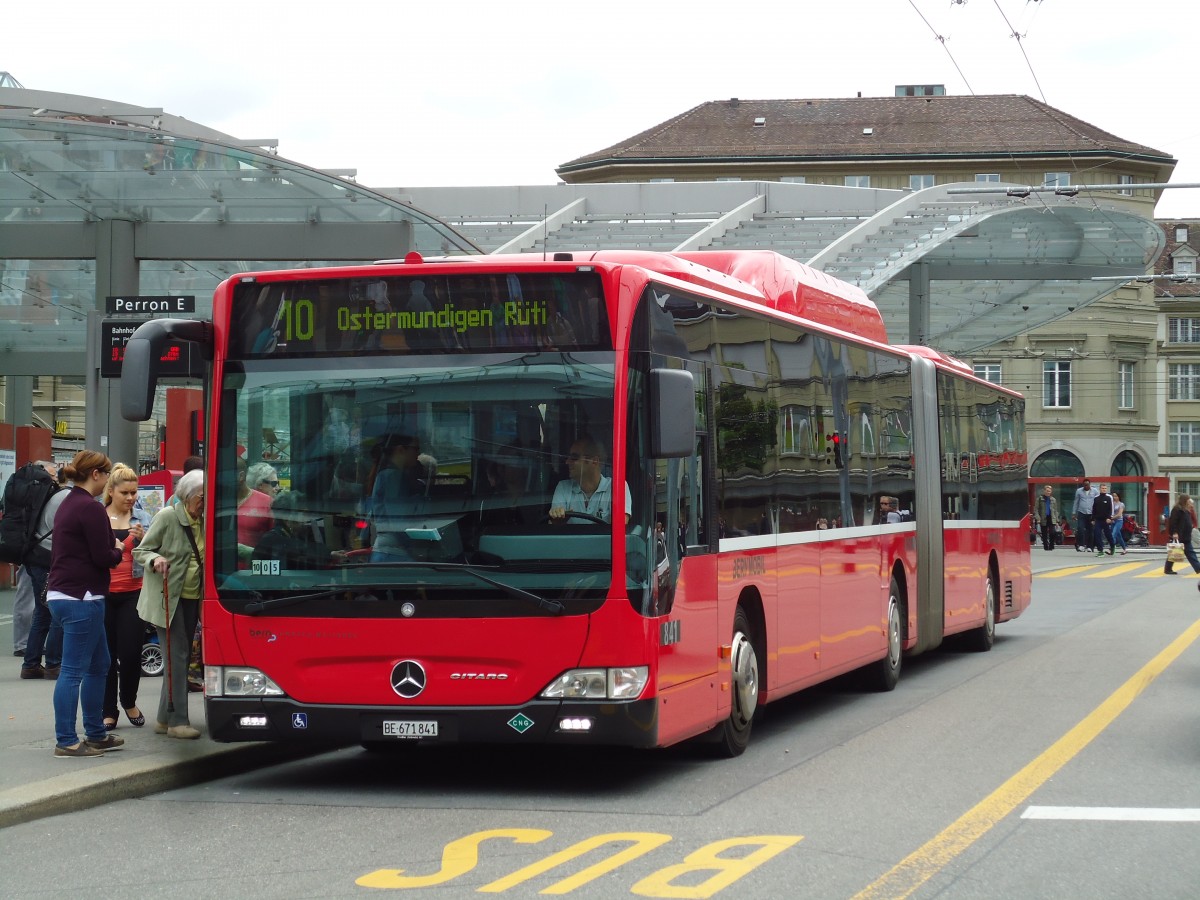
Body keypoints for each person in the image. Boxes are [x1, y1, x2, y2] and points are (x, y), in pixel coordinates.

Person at [45, 450, 125, 758]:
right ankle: (67, 739)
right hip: (84, 597)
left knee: (99, 664)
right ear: (96, 475)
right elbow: (102, 557)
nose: (106, 480)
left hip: (64, 594)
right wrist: (119, 547)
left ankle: (95, 733)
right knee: (73, 671)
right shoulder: (91, 508)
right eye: (106, 474)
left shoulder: (68, 503)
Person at [134, 470, 205, 739]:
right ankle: (177, 722)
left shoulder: (203, 521)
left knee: (180, 658)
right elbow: (141, 550)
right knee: (178, 657)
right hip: (168, 601)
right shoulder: (167, 517)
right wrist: (155, 560)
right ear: (188, 496)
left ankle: (164, 718)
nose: (206, 501)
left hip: (191, 599)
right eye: (202, 496)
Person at [101, 463, 152, 729]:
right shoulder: (98, 515)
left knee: (131, 654)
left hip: (134, 592)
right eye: (125, 493)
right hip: (103, 592)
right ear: (111, 491)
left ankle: (128, 701)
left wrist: (145, 540)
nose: (131, 498)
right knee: (106, 656)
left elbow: (156, 550)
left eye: (134, 492)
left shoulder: (143, 517)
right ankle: (108, 709)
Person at [19, 461, 67, 679]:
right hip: (46, 559)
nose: (54, 478)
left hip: (35, 557)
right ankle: (54, 664)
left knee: (43, 611)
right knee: (54, 610)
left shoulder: (41, 496)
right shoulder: (59, 497)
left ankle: (31, 664)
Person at [549, 435, 632, 525]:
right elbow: (555, 529)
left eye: (574, 457)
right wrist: (557, 519)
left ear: (594, 461)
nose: (567, 462)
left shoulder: (617, 487)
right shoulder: (563, 487)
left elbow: (619, 528)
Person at [253, 491, 348, 569]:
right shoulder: (270, 540)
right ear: (288, 519)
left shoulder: (298, 535)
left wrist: (330, 554)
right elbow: (260, 573)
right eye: (302, 513)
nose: (305, 517)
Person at [370, 433, 426, 561]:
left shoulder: (385, 475)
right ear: (401, 450)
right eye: (416, 449)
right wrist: (417, 549)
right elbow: (399, 523)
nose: (418, 454)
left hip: (385, 552)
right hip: (395, 554)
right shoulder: (393, 478)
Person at [235, 458, 274, 566]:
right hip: (220, 573)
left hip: (253, 574)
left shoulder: (266, 502)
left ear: (241, 476)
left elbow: (275, 543)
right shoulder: (217, 501)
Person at [1163, 492, 1200, 575]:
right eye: (1188, 500)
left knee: (1183, 552)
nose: (1189, 501)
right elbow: (1173, 522)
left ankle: (1168, 569)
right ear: (1185, 500)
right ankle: (1198, 568)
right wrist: (1174, 532)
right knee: (1178, 552)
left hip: (1185, 535)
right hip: (1180, 535)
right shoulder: (1177, 509)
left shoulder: (1185, 509)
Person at [1073, 479, 1098, 552]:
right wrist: (1074, 513)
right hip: (1081, 512)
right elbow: (1076, 502)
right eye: (1085, 485)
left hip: (1091, 513)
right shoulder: (1079, 491)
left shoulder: (1095, 491)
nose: (1086, 486)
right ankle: (1081, 545)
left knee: (1090, 530)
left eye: (1087, 484)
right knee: (1080, 528)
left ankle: (1090, 546)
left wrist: (1097, 514)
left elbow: (1097, 502)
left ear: (1090, 484)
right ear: (1083, 485)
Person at [1034, 484, 1060, 551]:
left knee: (1052, 532)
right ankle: (1045, 546)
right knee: (1044, 533)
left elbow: (1055, 510)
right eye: (1047, 491)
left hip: (1052, 517)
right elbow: (1036, 510)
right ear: (1044, 491)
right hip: (1043, 518)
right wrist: (1038, 518)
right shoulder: (1040, 499)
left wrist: (1057, 520)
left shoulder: (1053, 500)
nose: (1048, 492)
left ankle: (1051, 545)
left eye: (1049, 491)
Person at [1092, 483, 1116, 556]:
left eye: (1105, 488)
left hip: (1106, 520)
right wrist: (1092, 519)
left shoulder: (1109, 498)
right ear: (1100, 489)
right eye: (1102, 488)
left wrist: (1110, 518)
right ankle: (1100, 550)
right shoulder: (1096, 498)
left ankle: (1112, 546)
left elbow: (1111, 508)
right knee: (1097, 534)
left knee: (1108, 534)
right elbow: (1094, 509)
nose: (1104, 490)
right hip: (1098, 520)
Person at [1110, 491, 1127, 555]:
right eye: (1113, 496)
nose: (1114, 497)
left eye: (1116, 496)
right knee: (1119, 536)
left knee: (1113, 534)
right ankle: (1124, 549)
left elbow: (1119, 514)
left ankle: (1111, 549)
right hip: (1113, 521)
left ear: (1119, 497)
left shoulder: (1121, 504)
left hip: (1119, 521)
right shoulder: (1111, 503)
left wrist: (1112, 518)